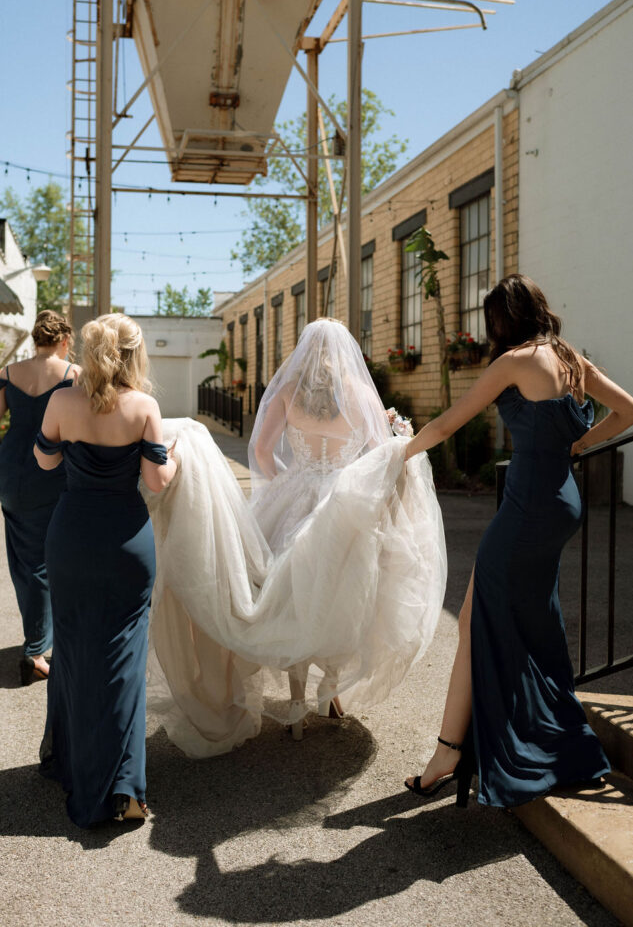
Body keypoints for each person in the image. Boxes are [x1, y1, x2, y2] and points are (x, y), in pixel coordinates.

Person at [145, 317, 447, 757]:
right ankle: (330, 693)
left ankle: (296, 702)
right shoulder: (362, 396)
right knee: (344, 593)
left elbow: (263, 452)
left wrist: (288, 482)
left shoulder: (288, 392)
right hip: (345, 504)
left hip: (295, 496)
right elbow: (379, 457)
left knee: (290, 598)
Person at [404, 275, 633, 808]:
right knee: (516, 620)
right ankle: (503, 744)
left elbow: (447, 424)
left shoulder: (512, 363)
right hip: (561, 503)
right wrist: (579, 443)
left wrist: (396, 455)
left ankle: (448, 753)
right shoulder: (572, 361)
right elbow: (628, 411)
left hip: (527, 509)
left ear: (501, 321)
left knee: (478, 618)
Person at [34, 313, 176, 828]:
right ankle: (125, 787)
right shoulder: (144, 407)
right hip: (125, 542)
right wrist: (173, 459)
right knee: (122, 658)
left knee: (72, 648)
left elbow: (45, 462)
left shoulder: (60, 401)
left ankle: (75, 763)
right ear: (133, 354)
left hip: (71, 537)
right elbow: (157, 481)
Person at [0, 309, 79, 685]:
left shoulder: (5, 375)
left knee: (27, 561)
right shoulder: (74, 375)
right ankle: (37, 650)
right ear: (65, 340)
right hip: (56, 472)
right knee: (54, 558)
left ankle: (38, 641)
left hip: (13, 473)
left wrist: (5, 457)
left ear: (35, 339)